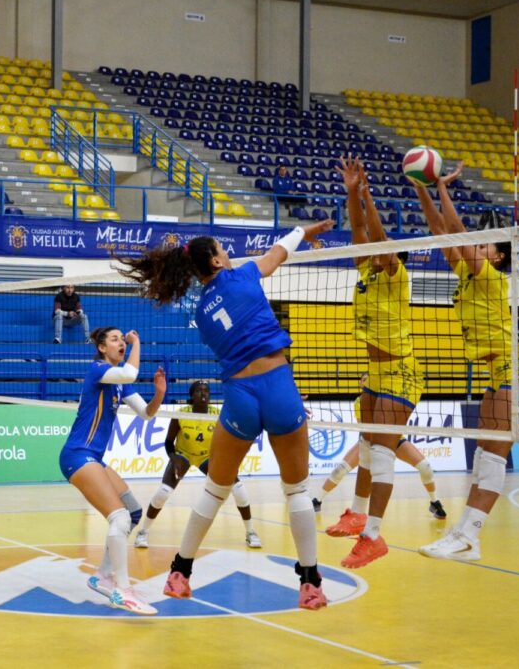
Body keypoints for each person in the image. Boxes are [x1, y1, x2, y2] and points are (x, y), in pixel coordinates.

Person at [117, 217, 334, 610]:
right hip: (278, 387)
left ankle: (179, 573)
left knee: (215, 490)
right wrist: (304, 231)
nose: (228, 254)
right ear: (216, 262)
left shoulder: (201, 313)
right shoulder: (243, 277)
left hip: (239, 397)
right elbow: (277, 254)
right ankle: (310, 583)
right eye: (223, 250)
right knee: (297, 490)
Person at [415, 163, 519, 562]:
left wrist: (442, 188)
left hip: (516, 369)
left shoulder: (491, 276)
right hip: (497, 372)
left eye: (486, 244)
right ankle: (466, 535)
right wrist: (423, 188)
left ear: (497, 255)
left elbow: (457, 232)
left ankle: (469, 535)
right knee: (486, 457)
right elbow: (442, 233)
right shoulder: (470, 276)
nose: (479, 246)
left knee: (492, 455)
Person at [331, 155, 426, 569]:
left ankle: (373, 535)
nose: (368, 241)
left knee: (383, 452)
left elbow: (379, 239)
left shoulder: (395, 272)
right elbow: (357, 230)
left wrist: (369, 198)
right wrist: (352, 193)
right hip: (376, 374)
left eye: (377, 243)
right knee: (368, 448)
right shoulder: (367, 268)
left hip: (401, 374)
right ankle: (355, 512)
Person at [59, 327, 166, 615]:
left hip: (94, 457)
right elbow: (130, 373)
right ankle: (122, 590)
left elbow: (146, 413)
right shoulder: (97, 369)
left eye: (123, 338)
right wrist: (137, 342)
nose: (121, 343)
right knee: (117, 517)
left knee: (131, 512)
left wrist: (159, 394)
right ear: (102, 348)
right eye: (115, 340)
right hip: (77, 455)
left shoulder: (119, 382)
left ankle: (103, 576)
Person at [134, 380, 262, 550]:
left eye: (206, 391)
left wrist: (226, 461)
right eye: (199, 391)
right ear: (191, 396)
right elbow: (168, 443)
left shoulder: (218, 415)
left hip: (207, 457)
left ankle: (251, 532)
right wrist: (174, 458)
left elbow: (226, 442)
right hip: (183, 455)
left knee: (239, 489)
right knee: (163, 492)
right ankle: (143, 532)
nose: (204, 394)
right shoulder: (181, 415)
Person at [312, 375, 446, 522]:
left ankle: (434, 502)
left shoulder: (390, 397)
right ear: (360, 383)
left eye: (369, 379)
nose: (366, 382)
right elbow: (367, 429)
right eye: (364, 380)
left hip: (395, 440)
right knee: (340, 470)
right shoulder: (360, 402)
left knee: (425, 467)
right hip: (370, 440)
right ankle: (317, 500)